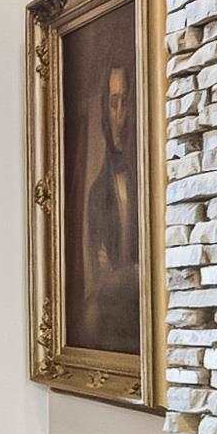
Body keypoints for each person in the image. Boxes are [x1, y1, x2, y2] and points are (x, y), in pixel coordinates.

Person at [77, 58, 140, 351]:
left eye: (125, 102)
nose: (120, 115)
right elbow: (101, 277)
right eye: (113, 103)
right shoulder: (97, 192)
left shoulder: (145, 176)